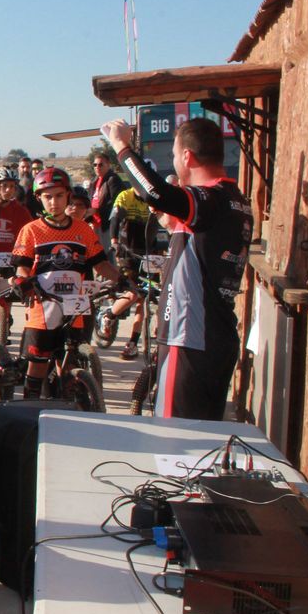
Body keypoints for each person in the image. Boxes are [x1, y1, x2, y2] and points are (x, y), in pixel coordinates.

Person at [101, 117, 252, 420]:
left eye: (173, 154)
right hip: (214, 336)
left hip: (188, 339)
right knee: (201, 438)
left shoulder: (209, 197)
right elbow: (200, 244)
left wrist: (121, 146)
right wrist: (170, 223)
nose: (174, 162)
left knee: (174, 443)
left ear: (187, 156)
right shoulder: (234, 199)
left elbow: (152, 191)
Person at [11, 168, 118, 400]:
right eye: (48, 197)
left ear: (68, 196)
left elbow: (100, 265)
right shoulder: (31, 231)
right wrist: (23, 279)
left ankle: (67, 402)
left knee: (69, 364)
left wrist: (122, 280)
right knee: (38, 366)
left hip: (74, 305)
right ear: (39, 198)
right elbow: (22, 266)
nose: (54, 202)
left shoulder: (83, 230)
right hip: (43, 306)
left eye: (59, 196)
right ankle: (31, 409)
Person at [105, 172, 162, 360]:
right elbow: (114, 220)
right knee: (134, 293)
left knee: (145, 297)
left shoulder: (154, 200)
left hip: (147, 252)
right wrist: (114, 241)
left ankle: (132, 343)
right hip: (127, 250)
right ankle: (109, 315)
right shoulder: (125, 196)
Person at [89, 152, 126, 253]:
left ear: (108, 165)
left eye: (101, 164)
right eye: (95, 165)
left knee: (108, 254)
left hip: (107, 224)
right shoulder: (94, 181)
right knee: (96, 254)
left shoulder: (113, 180)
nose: (97, 167)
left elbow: (116, 202)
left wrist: (97, 210)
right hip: (95, 223)